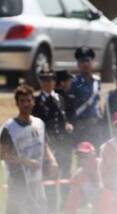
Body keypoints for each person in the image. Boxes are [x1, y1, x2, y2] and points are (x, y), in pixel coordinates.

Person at [0, 84, 56, 214]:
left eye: (29, 100)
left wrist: (52, 159)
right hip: (17, 182)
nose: (26, 104)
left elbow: (45, 144)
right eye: (22, 101)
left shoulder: (39, 124)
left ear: (33, 101)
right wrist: (25, 161)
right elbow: (3, 154)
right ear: (17, 103)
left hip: (35, 182)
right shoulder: (9, 128)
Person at [32, 67, 72, 214]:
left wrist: (67, 124)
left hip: (62, 142)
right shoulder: (36, 101)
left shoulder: (60, 98)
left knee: (64, 174)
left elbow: (63, 117)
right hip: (46, 144)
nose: (48, 83)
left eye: (50, 79)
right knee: (49, 176)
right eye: (44, 80)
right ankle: (50, 209)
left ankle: (65, 204)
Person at [70, 47, 104, 149]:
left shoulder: (97, 81)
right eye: (82, 61)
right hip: (81, 124)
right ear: (78, 64)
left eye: (87, 61)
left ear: (92, 63)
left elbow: (97, 101)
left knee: (97, 153)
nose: (85, 64)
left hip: (95, 123)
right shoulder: (74, 83)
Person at [54, 69, 77, 198]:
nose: (70, 83)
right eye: (68, 81)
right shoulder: (67, 97)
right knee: (65, 171)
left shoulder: (64, 96)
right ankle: (65, 199)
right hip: (64, 140)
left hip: (57, 139)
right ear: (62, 82)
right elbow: (73, 118)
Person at [65, 141, 101, 214]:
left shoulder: (104, 165)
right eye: (80, 156)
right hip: (99, 213)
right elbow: (71, 205)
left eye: (85, 156)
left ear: (93, 155)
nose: (82, 159)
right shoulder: (78, 177)